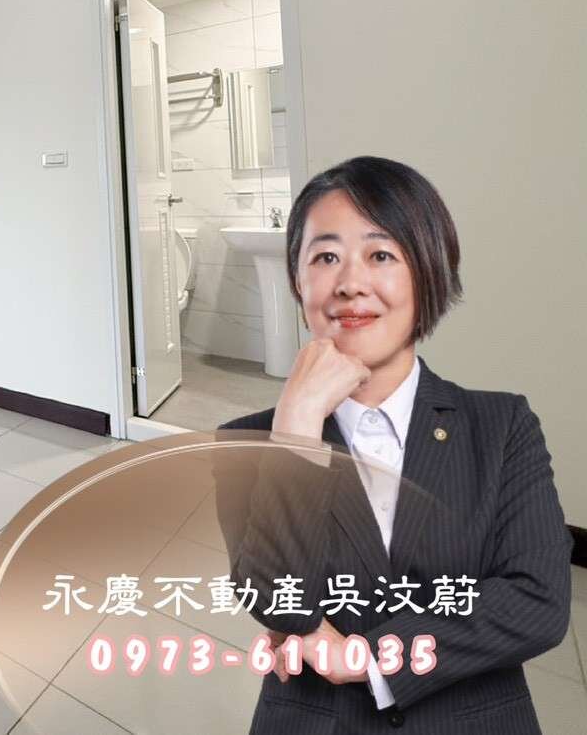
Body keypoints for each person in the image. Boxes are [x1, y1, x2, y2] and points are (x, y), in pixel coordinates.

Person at [215, 155, 571, 734]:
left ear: (426, 272)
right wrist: (297, 425)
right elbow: (282, 604)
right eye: (325, 257)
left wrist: (369, 660)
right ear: (298, 283)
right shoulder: (244, 442)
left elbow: (539, 603)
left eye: (380, 255)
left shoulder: (503, 425)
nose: (350, 283)